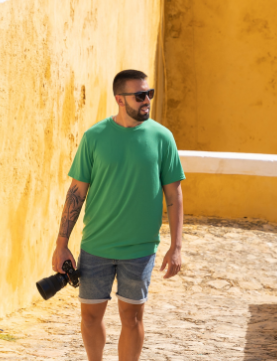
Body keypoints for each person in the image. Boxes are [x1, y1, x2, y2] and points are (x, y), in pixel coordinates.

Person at [50, 70, 185, 361]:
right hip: (96, 246)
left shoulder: (163, 138)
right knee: (89, 317)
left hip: (140, 249)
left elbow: (174, 195)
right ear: (120, 99)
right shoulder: (94, 137)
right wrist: (62, 244)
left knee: (132, 318)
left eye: (149, 94)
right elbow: (77, 192)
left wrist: (176, 247)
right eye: (140, 95)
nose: (147, 100)